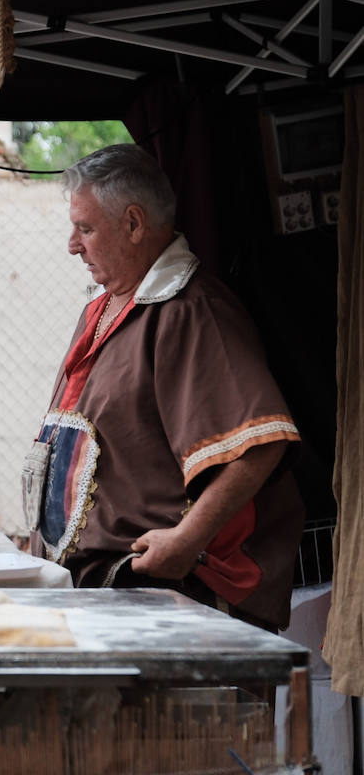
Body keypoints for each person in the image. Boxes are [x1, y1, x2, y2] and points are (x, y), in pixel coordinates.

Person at [27, 143, 304, 630]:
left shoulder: (191, 310)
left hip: (173, 598)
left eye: (85, 228)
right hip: (111, 591)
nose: (73, 245)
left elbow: (262, 442)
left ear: (134, 224)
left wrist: (187, 541)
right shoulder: (104, 307)